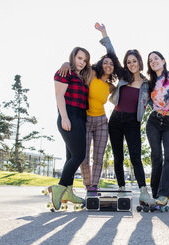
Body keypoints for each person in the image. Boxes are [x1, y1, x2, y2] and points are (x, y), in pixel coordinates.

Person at [58, 23, 122, 196]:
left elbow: (120, 97)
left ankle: (94, 186)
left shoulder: (111, 86)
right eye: (105, 62)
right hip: (84, 120)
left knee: (99, 157)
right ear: (101, 64)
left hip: (101, 121)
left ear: (113, 67)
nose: (108, 64)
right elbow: (76, 65)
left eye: (111, 63)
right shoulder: (91, 74)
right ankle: (87, 186)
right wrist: (65, 62)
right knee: (83, 157)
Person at [99, 26, 154, 206]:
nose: (131, 64)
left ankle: (144, 192)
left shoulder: (147, 83)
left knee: (136, 156)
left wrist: (168, 116)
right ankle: (121, 188)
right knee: (118, 156)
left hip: (132, 122)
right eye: (128, 62)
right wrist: (104, 34)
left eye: (134, 61)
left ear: (139, 62)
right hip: (116, 119)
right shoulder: (123, 75)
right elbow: (112, 54)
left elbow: (155, 103)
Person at [48, 46, 92, 210]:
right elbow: (59, 95)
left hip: (80, 117)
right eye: (79, 58)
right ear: (73, 57)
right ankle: (60, 187)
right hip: (70, 116)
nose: (82, 62)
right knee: (79, 155)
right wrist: (65, 117)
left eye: (85, 60)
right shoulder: (64, 72)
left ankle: (68, 191)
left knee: (71, 157)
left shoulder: (81, 77)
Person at [146, 51, 169, 207]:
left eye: (156, 58)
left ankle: (165, 193)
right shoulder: (150, 82)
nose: (153, 61)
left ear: (163, 60)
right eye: (150, 60)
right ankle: (155, 193)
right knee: (156, 156)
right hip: (154, 121)